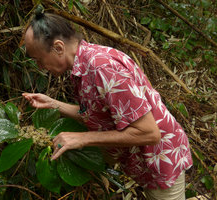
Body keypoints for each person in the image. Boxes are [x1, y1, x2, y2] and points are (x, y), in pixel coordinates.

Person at [21, 10, 192, 200]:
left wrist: (82, 138)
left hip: (160, 160)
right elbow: (98, 116)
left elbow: (149, 133)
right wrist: (52, 103)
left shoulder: (103, 68)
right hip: (143, 163)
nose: (40, 67)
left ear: (58, 47)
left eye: (39, 59)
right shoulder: (84, 66)